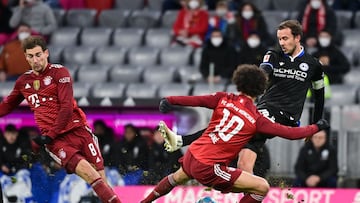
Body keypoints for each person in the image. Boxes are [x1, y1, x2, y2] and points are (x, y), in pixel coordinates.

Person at [160, 20, 325, 179]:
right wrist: (254, 81)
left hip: (285, 115)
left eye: (285, 38)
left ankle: (183, 141)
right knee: (244, 164)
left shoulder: (314, 65)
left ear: (297, 38)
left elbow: (319, 96)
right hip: (264, 109)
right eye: (279, 38)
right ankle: (250, 191)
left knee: (237, 123)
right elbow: (264, 71)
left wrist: (315, 125)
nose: (281, 42)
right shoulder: (273, 55)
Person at [141, 64, 330, 203]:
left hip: (193, 155)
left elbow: (196, 100)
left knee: (176, 178)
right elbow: (290, 133)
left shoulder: (223, 98)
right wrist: (317, 126)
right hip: (209, 167)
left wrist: (170, 100)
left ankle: (144, 202)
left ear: (238, 83)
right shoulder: (257, 119)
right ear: (262, 89)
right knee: (261, 187)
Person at [0, 36, 122, 203]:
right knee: (91, 174)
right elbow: (7, 106)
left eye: (38, 55)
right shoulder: (23, 81)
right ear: (26, 57)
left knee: (102, 181)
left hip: (79, 131)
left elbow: (66, 107)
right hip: (57, 141)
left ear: (46, 53)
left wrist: (50, 133)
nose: (35, 60)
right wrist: (51, 136)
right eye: (30, 56)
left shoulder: (60, 73)